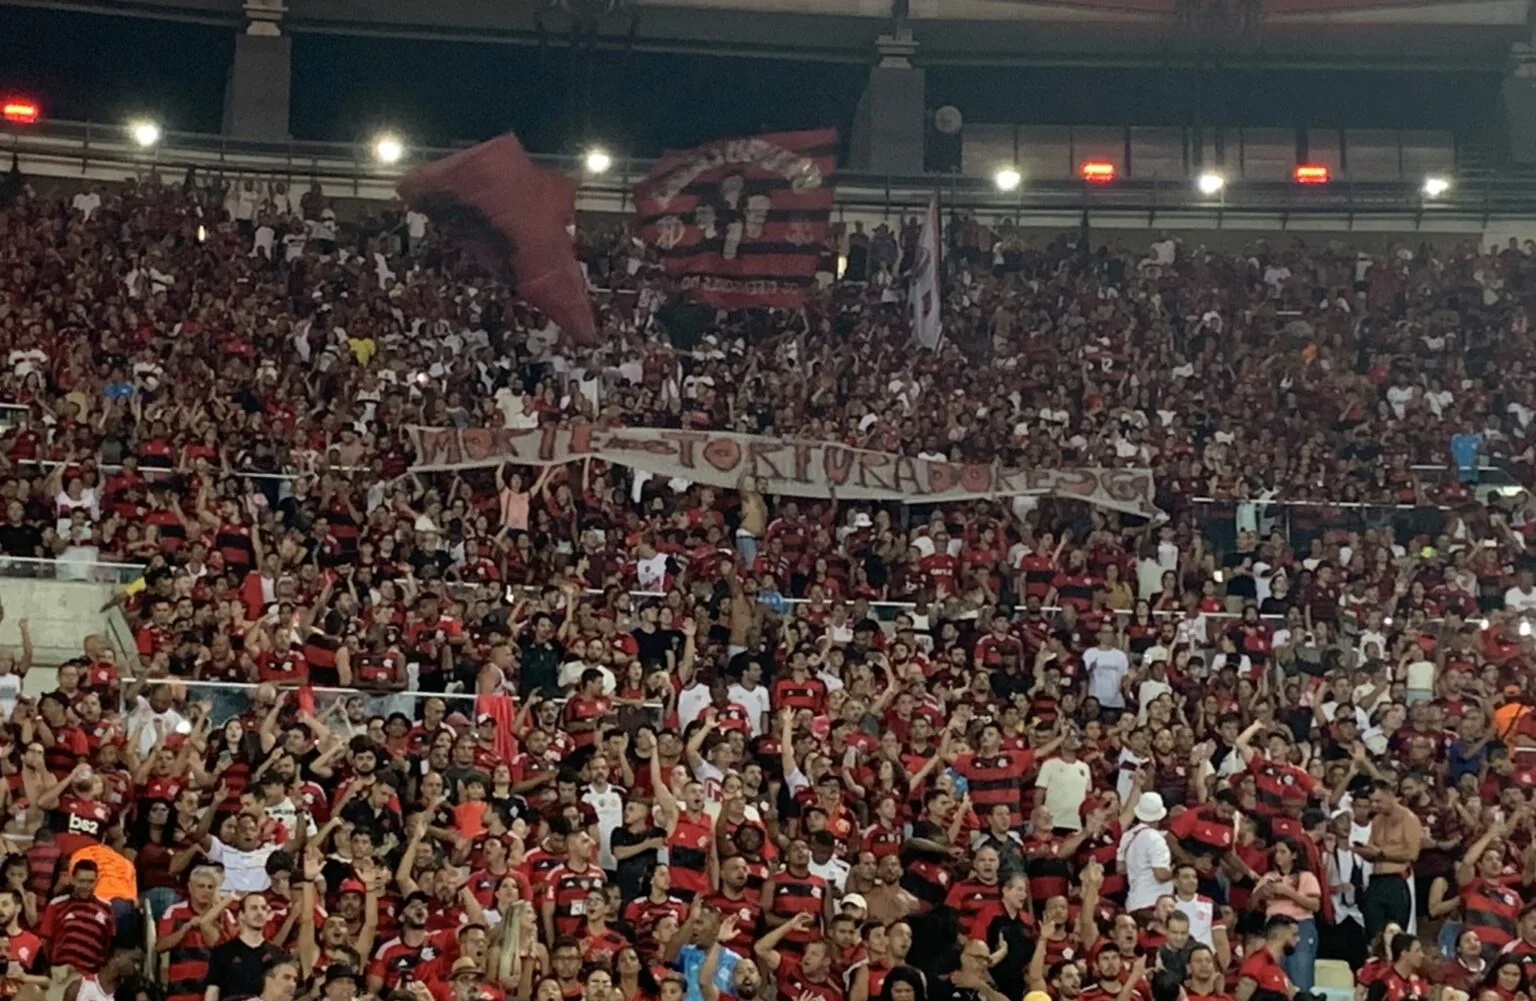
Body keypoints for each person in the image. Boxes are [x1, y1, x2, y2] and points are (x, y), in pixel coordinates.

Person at [1360, 780, 1422, 945]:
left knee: (1396, 936)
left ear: (1391, 796)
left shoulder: (1409, 819)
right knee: (1374, 936)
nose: (1375, 805)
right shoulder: (1377, 821)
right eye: (1372, 802)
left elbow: (1412, 853)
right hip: (1375, 880)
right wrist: (1363, 851)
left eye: (1378, 801)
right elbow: (1372, 847)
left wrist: (1382, 852)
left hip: (1396, 880)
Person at [1119, 793, 1173, 913]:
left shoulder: (1127, 836)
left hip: (1133, 903)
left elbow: (1120, 868)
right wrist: (1177, 873)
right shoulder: (1156, 838)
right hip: (1152, 905)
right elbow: (1161, 874)